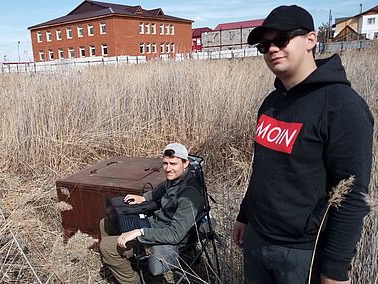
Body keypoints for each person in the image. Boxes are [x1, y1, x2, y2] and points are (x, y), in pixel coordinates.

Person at [232, 5, 374, 284]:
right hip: (257, 241)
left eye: (282, 40)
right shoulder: (271, 103)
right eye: (265, 45)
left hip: (302, 253)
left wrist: (335, 268)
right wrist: (245, 215)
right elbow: (264, 171)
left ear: (311, 40)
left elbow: (352, 195)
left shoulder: (342, 106)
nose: (273, 49)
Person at [99, 143, 204, 284]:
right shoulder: (178, 178)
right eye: (165, 163)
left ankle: (132, 280)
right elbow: (163, 187)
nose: (168, 168)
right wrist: (144, 197)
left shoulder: (190, 194)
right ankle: (126, 260)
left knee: (106, 246)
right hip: (153, 223)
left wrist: (140, 232)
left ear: (185, 163)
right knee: (106, 222)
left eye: (173, 163)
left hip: (163, 235)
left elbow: (175, 234)